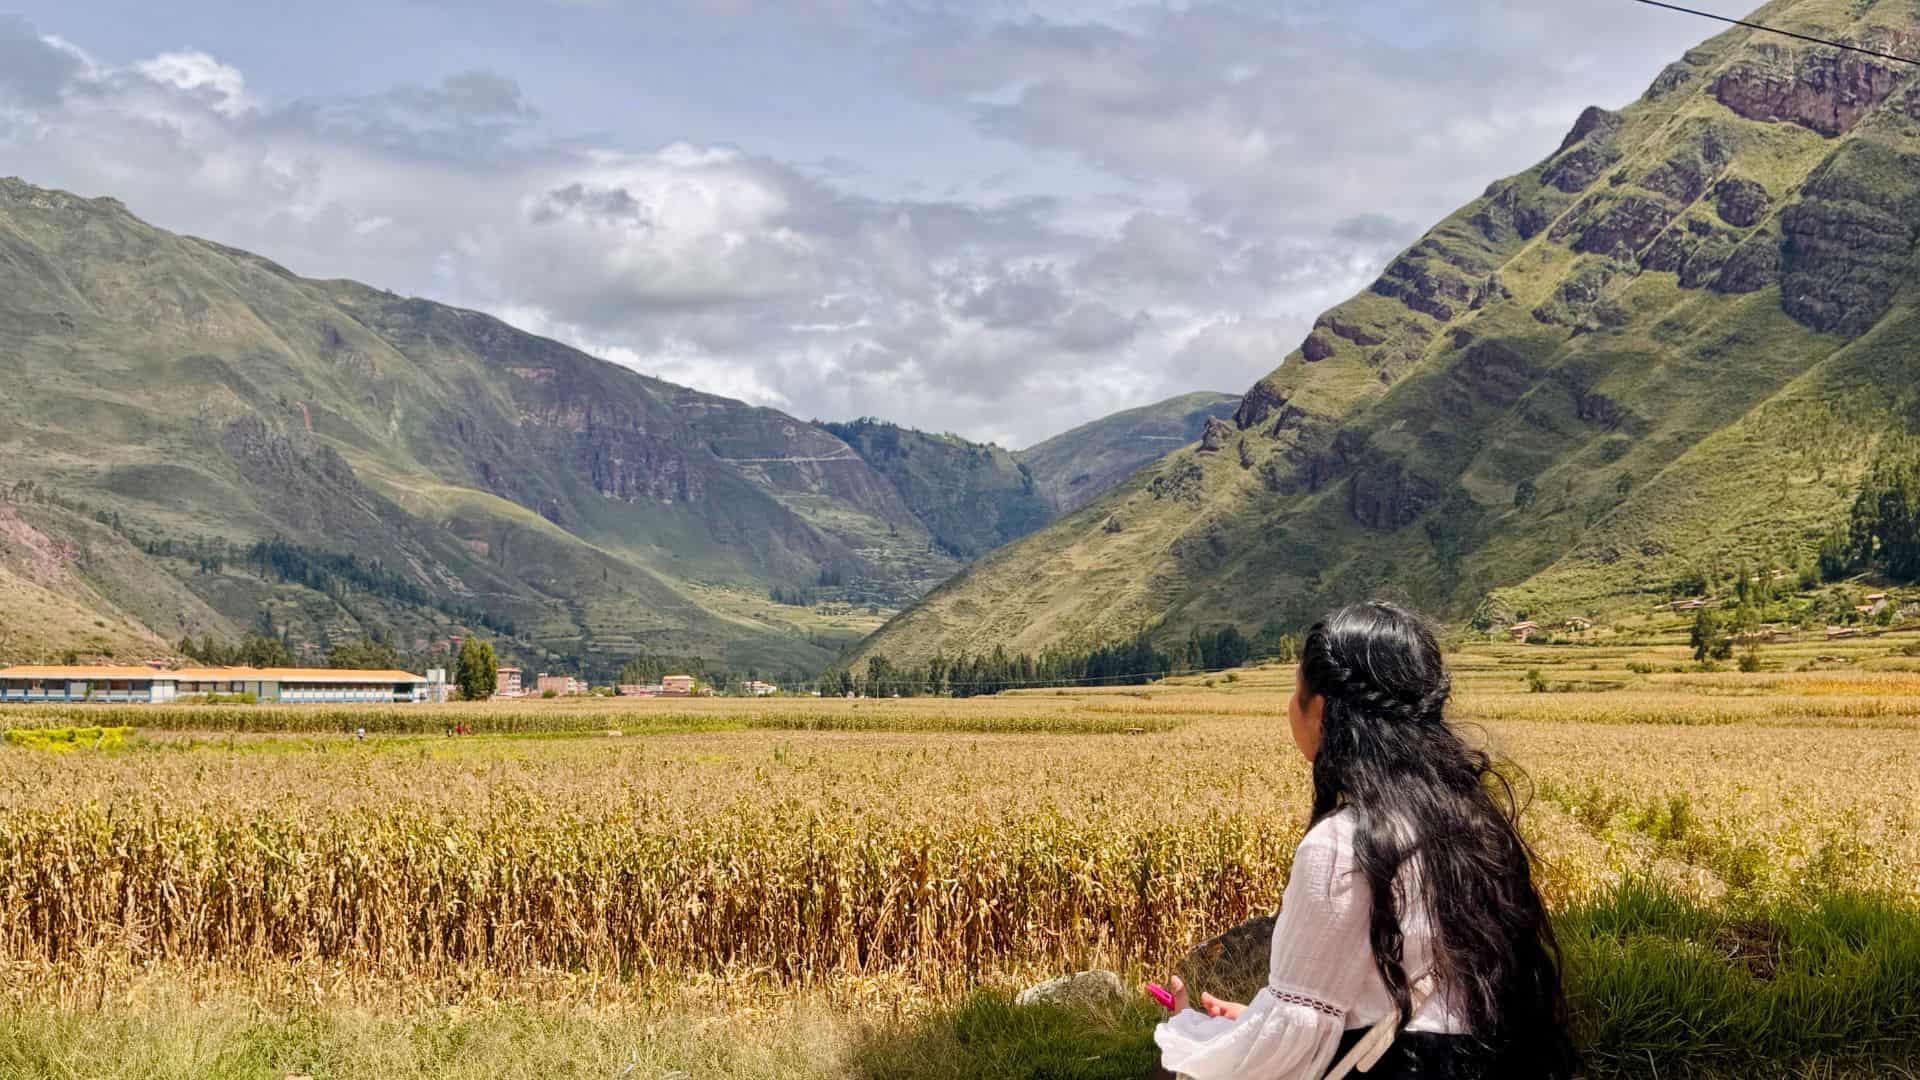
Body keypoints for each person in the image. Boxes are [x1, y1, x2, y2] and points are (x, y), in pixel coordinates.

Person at [1154, 601, 1577, 1079]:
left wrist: (1191, 1033)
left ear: (1323, 710)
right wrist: (1260, 1020)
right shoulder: (1470, 823)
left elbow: (1293, 1040)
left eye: (1296, 691)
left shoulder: (1344, 844)